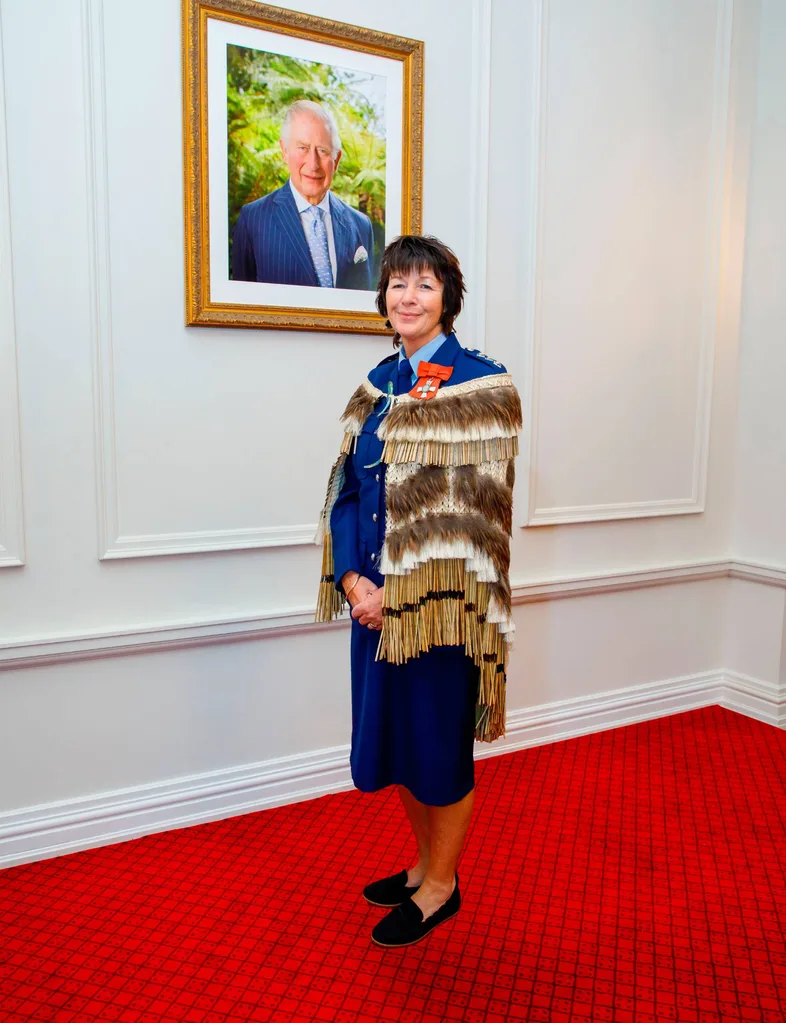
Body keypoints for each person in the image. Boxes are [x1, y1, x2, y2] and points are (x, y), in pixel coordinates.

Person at [315, 235, 522, 948]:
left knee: (438, 749)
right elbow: (346, 490)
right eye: (397, 283)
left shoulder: (483, 387)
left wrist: (396, 589)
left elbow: (474, 522)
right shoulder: (376, 383)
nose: (408, 296)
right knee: (396, 744)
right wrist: (351, 578)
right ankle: (422, 863)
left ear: (447, 298)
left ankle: (442, 885)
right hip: (369, 605)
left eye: (424, 284)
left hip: (437, 613)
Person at [231, 100, 375, 290]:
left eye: (323, 151)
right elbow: (240, 306)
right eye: (303, 148)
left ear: (336, 159)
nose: (313, 164)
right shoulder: (253, 219)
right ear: (285, 151)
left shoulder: (361, 225)